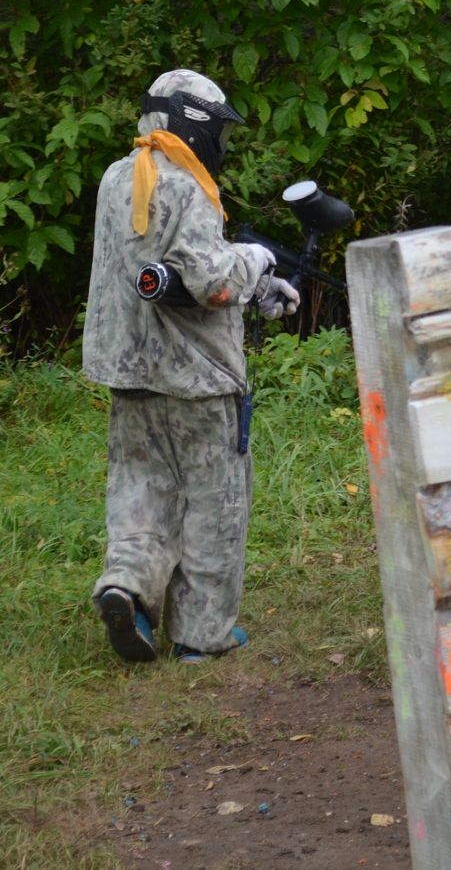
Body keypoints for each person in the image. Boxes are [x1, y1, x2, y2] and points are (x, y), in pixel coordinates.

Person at [82, 68, 299, 663]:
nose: (220, 147)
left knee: (141, 492)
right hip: (199, 379)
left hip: (128, 371)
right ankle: (202, 635)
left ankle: (126, 587)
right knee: (214, 502)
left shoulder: (115, 178)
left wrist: (257, 284)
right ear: (192, 123)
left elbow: (157, 271)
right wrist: (255, 261)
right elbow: (212, 283)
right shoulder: (185, 185)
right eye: (218, 133)